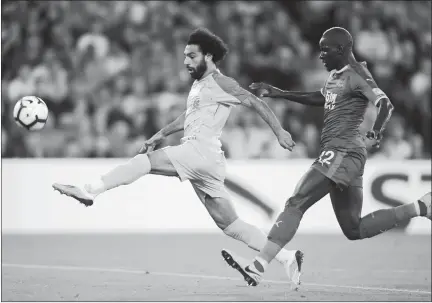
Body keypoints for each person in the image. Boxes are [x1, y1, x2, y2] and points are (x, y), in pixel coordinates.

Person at [52, 28, 303, 285]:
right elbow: (188, 117)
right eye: (185, 56)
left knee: (145, 162)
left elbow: (256, 103)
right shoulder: (199, 86)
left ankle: (90, 190)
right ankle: (287, 258)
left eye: (192, 56)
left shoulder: (222, 82)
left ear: (208, 56)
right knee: (230, 225)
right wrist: (161, 133)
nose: (186, 61)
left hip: (199, 151)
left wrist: (280, 131)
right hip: (208, 160)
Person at [220, 27, 431, 287]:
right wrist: (279, 93)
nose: (320, 55)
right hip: (344, 155)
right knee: (354, 230)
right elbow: (322, 98)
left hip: (343, 151)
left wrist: (376, 131)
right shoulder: (335, 76)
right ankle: (420, 207)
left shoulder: (358, 73)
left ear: (341, 50)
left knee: (297, 201)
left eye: (325, 49)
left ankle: (258, 266)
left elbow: (385, 104)